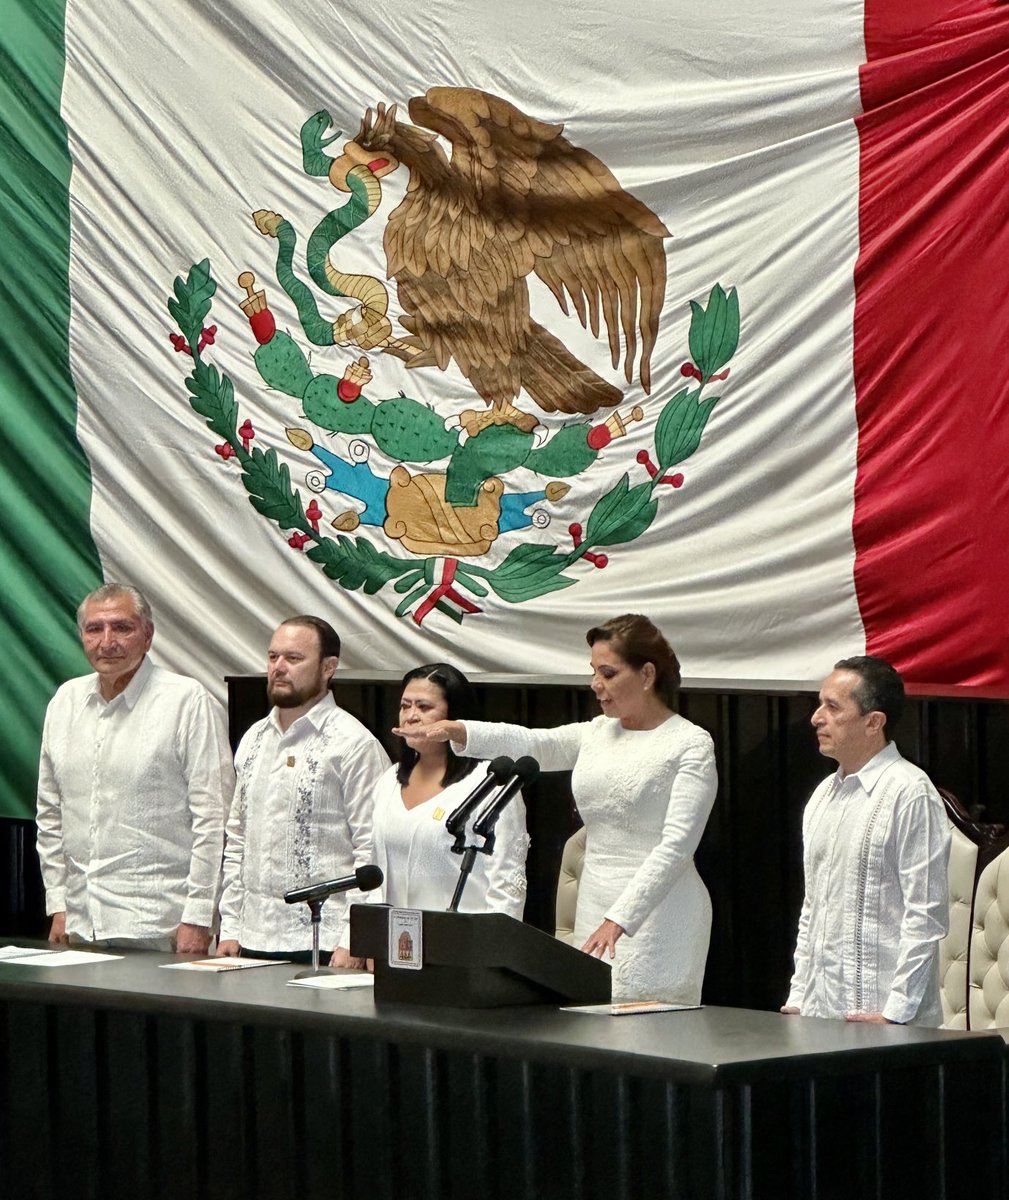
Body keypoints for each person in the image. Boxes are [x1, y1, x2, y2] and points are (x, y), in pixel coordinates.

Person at [400, 615, 717, 1003]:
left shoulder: (690, 744)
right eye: (593, 671)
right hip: (594, 900)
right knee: (594, 1023)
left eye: (608, 672)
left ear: (647, 674)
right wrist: (458, 730)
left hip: (660, 912)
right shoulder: (598, 732)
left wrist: (621, 918)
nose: (595, 684)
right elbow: (534, 743)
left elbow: (678, 845)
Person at [36, 583, 233, 953]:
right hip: (81, 924)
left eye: (121, 627)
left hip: (162, 927)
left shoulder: (187, 702)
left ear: (147, 635)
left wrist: (199, 916)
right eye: (95, 629)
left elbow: (214, 819)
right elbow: (49, 815)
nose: (107, 641)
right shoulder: (65, 702)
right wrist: (58, 904)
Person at [782, 656, 950, 1026]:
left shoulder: (910, 791)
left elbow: (926, 915)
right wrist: (799, 996)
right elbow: (814, 908)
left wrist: (896, 1014)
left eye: (833, 706)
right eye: (819, 703)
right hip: (819, 1016)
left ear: (874, 722)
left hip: (888, 1025)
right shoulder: (823, 794)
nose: (816, 717)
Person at [217, 616, 389, 965]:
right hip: (251, 939)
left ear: (329, 667)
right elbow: (237, 838)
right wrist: (231, 925)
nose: (279, 668)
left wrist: (355, 937)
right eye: (272, 657)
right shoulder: (253, 739)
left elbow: (374, 850)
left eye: (294, 659)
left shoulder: (354, 744)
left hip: (323, 939)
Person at [374, 663, 528, 916]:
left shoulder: (491, 782)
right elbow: (373, 866)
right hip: (395, 944)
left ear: (454, 716)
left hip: (465, 944)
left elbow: (506, 888)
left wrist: (495, 950)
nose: (411, 716)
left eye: (424, 707)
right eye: (404, 706)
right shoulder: (389, 780)